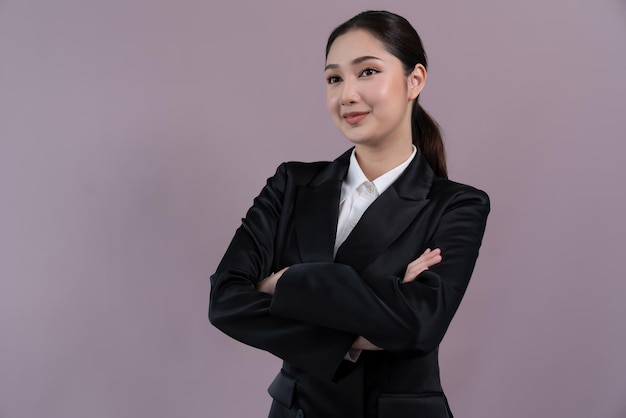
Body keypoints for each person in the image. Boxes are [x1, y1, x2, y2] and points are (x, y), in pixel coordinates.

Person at [209, 10, 490, 418]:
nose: (347, 95)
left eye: (368, 72)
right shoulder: (291, 185)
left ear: (415, 80)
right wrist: (380, 307)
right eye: (334, 78)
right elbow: (225, 301)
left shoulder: (457, 205)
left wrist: (285, 281)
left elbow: (418, 329)